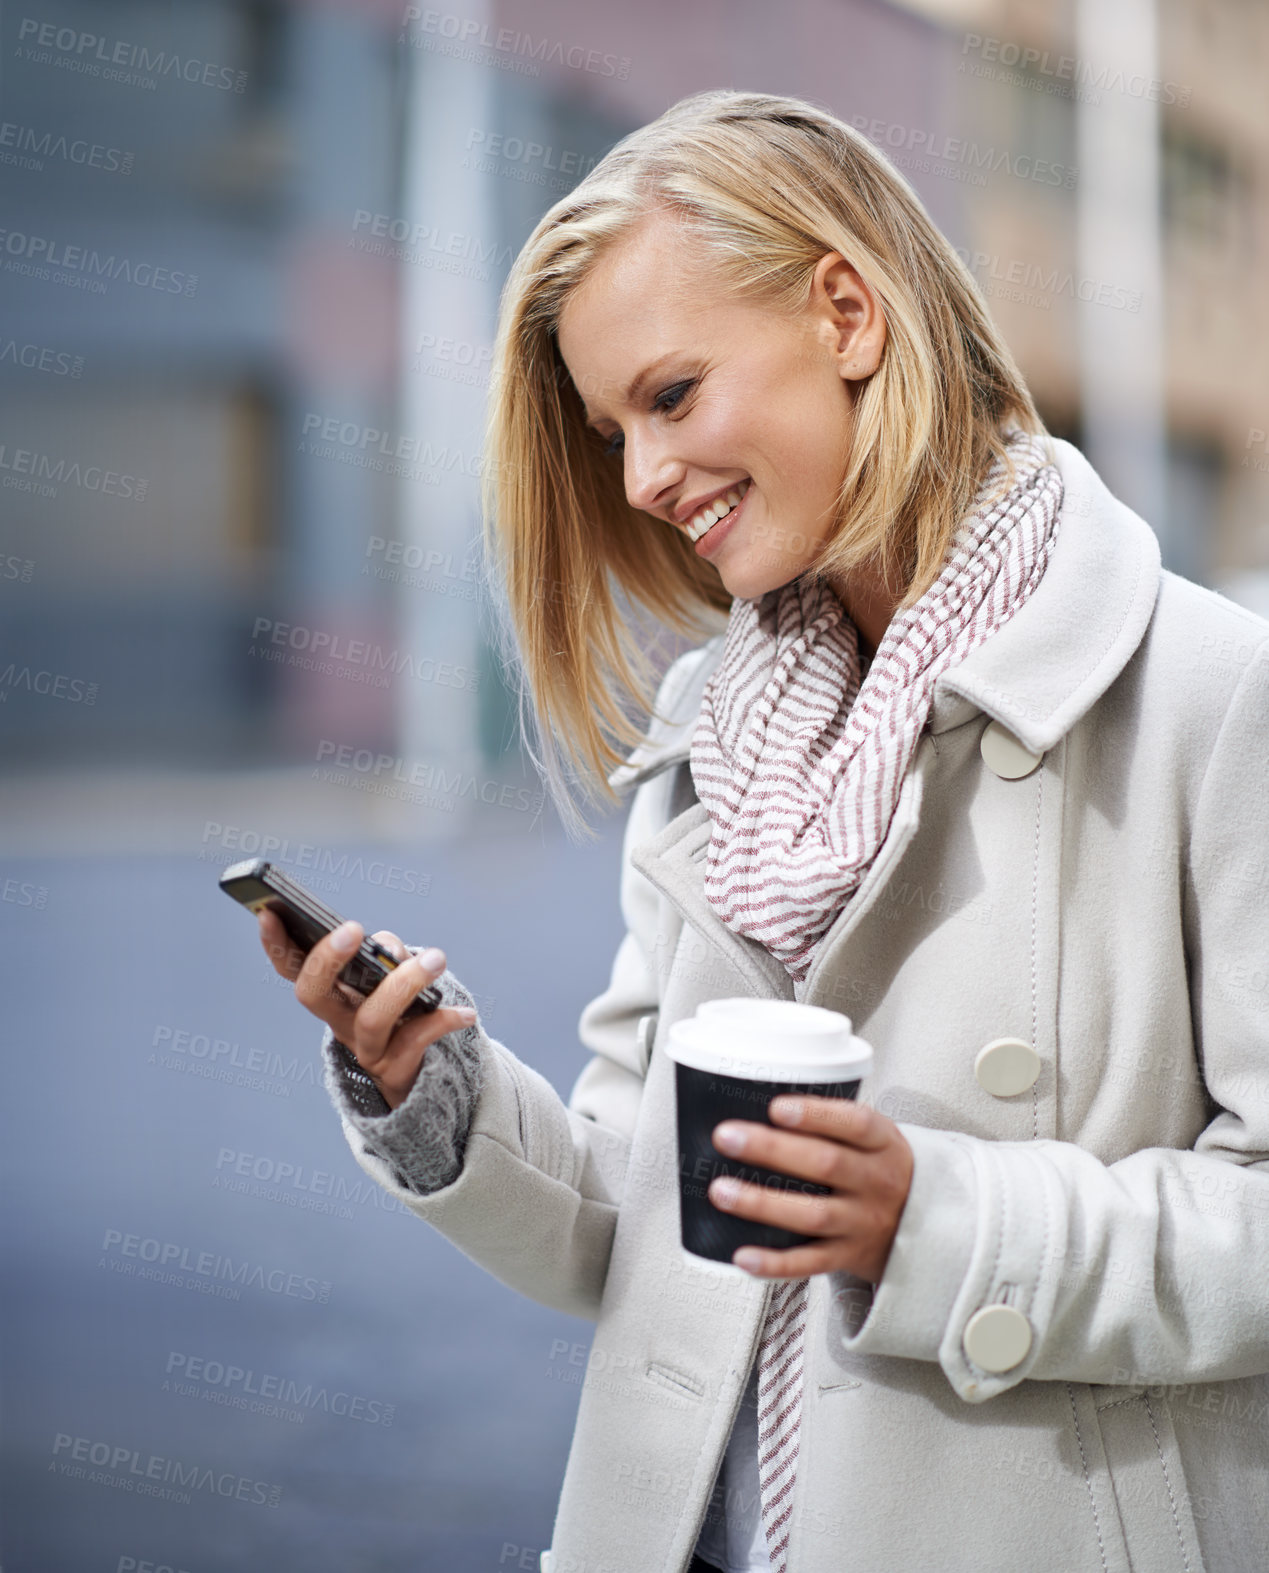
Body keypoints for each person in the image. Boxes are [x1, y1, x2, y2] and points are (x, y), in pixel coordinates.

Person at [258, 89, 1269, 1573]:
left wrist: (934, 1214)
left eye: (669, 397)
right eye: (610, 431)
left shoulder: (1202, 693)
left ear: (847, 313)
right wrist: (440, 1091)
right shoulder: (716, 736)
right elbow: (641, 1223)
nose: (640, 481)